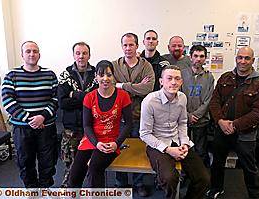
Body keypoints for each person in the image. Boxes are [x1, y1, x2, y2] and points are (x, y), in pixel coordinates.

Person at [207, 47, 259, 199]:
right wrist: (221, 121)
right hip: (221, 130)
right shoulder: (225, 78)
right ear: (236, 58)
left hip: (245, 134)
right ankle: (216, 188)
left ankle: (255, 195)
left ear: (253, 60)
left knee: (249, 167)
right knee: (217, 163)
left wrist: (234, 125)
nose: (243, 61)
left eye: (247, 58)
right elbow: (214, 102)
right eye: (240, 57)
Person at [140, 65, 210, 199]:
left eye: (177, 79)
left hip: (177, 140)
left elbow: (182, 123)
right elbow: (145, 134)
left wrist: (184, 143)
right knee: (170, 178)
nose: (173, 82)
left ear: (181, 82)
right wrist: (168, 150)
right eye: (169, 78)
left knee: (204, 178)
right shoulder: (149, 101)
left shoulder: (182, 98)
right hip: (157, 144)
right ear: (161, 81)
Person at [1, 41, 58, 188]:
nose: (32, 54)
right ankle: (32, 191)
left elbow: (56, 99)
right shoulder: (12, 75)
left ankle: (45, 190)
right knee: (25, 163)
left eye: (35, 51)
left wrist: (42, 117)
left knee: (48, 162)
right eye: (28, 51)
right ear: (22, 55)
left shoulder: (50, 75)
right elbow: (7, 100)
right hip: (22, 128)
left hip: (46, 127)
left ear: (39, 54)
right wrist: (29, 119)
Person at [68, 60, 132, 188]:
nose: (105, 78)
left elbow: (129, 124)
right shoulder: (89, 97)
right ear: (96, 77)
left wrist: (117, 143)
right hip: (92, 139)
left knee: (94, 169)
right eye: (101, 75)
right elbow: (86, 125)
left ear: (113, 76)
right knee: (74, 175)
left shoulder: (123, 96)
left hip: (111, 141)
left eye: (109, 74)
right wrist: (96, 143)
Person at [112, 32, 155, 197]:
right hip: (118, 116)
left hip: (139, 116)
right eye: (125, 45)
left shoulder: (146, 66)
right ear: (122, 46)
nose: (128, 48)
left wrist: (122, 85)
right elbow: (109, 86)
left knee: (139, 150)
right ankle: (120, 183)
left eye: (131, 45)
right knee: (118, 149)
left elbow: (148, 88)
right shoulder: (114, 65)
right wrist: (135, 87)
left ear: (137, 46)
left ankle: (138, 184)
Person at [58, 42, 98, 187]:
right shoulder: (65, 75)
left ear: (89, 55)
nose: (81, 56)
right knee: (71, 166)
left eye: (84, 53)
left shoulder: (97, 74)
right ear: (73, 55)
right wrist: (85, 97)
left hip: (93, 128)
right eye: (78, 53)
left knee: (92, 166)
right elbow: (63, 103)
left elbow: (97, 101)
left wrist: (74, 94)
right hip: (71, 129)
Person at [181, 45, 214, 166]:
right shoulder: (181, 74)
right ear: (190, 57)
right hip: (183, 120)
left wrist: (196, 115)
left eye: (201, 56)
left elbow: (208, 99)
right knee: (184, 150)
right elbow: (177, 97)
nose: (198, 59)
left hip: (202, 121)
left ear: (205, 58)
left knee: (201, 151)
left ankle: (200, 179)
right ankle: (184, 177)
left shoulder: (209, 77)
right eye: (195, 56)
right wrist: (187, 115)